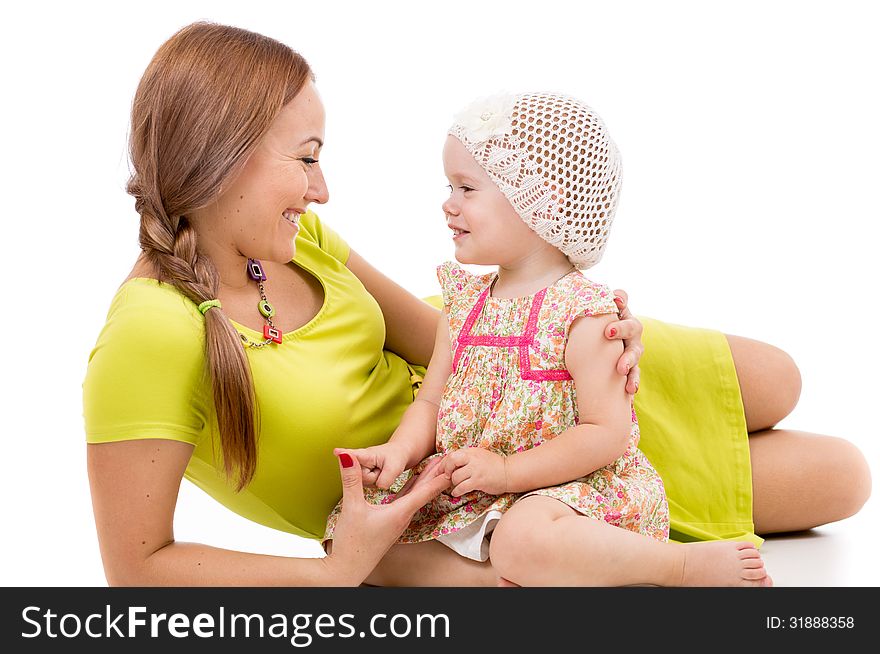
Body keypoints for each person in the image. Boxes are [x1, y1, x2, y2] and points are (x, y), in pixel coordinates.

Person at [83, 22, 870, 587]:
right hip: (478, 500)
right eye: (308, 158)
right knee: (840, 480)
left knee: (782, 381)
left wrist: (584, 333)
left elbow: (438, 338)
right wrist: (332, 578)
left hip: (527, 374)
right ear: (224, 154)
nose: (322, 188)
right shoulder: (151, 333)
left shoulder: (301, 237)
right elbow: (136, 568)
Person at [324, 92, 774, 586]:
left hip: (566, 492)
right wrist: (400, 452)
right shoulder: (464, 303)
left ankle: (679, 566)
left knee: (525, 537)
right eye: (449, 185)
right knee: (350, 535)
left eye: (468, 188)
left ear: (542, 202)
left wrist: (510, 472)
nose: (448, 204)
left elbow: (606, 432)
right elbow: (431, 400)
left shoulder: (583, 314)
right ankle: (500, 581)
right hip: (477, 486)